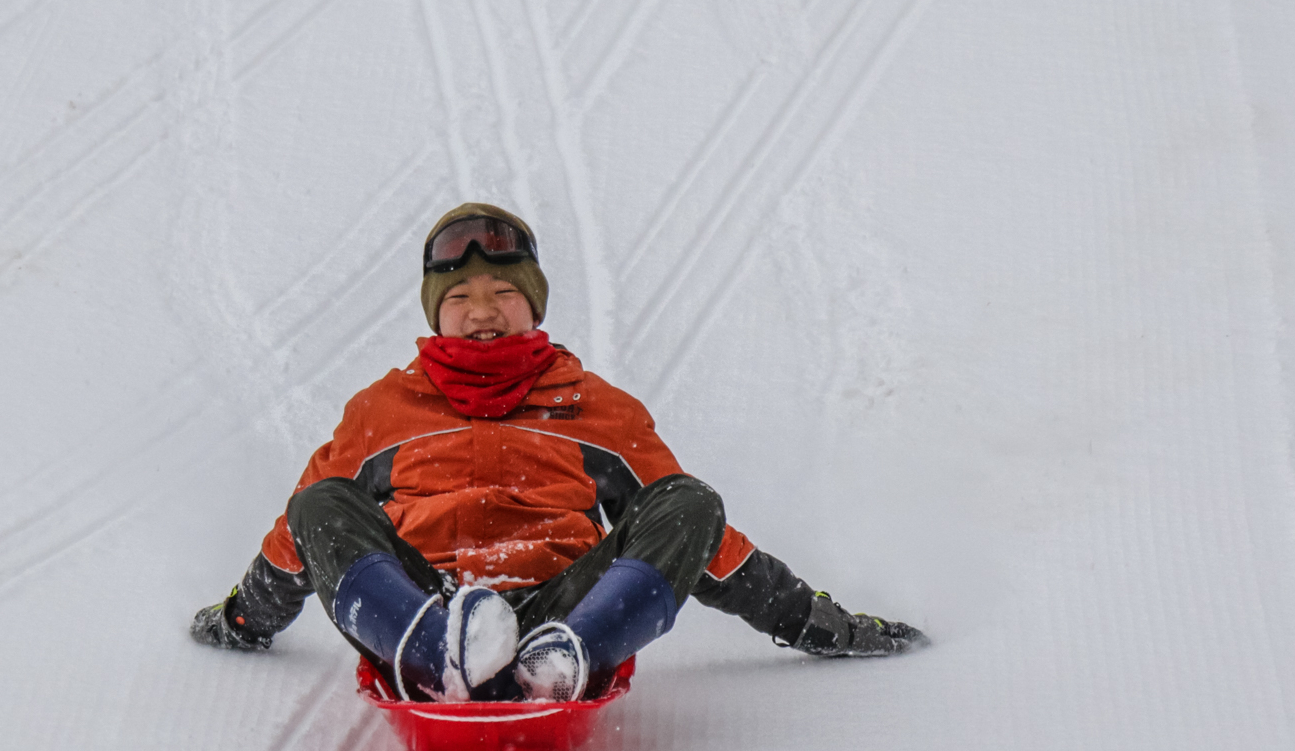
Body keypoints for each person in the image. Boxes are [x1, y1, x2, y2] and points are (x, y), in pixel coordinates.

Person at [191, 203, 926, 702]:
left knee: (688, 499)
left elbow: (701, 540)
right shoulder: (381, 410)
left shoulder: (596, 406)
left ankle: (562, 657)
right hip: (422, 604)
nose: (482, 310)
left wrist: (815, 620)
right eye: (460, 296)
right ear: (434, 314)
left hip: (560, 609)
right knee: (322, 499)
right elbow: (301, 536)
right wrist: (244, 617)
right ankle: (436, 654)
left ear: (533, 304)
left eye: (503, 291)